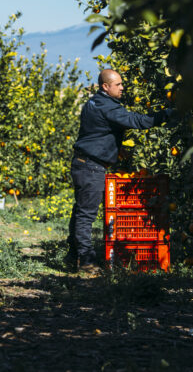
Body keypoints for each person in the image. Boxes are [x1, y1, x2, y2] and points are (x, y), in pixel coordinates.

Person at [67, 69, 172, 272]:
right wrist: (167, 115)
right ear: (106, 86)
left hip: (83, 163)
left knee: (80, 210)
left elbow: (98, 132)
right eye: (118, 84)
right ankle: (87, 262)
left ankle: (74, 256)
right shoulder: (108, 107)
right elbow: (137, 121)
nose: (123, 87)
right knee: (86, 214)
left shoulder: (94, 102)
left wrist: (115, 149)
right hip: (91, 167)